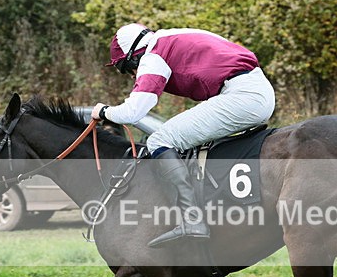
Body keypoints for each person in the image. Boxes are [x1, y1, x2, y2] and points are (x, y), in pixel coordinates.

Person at [92, 23, 275, 248]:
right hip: (256, 90)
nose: (131, 75)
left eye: (126, 68)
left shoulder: (153, 56)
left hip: (242, 95)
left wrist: (103, 111)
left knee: (159, 140)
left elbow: (133, 113)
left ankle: (192, 218)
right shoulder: (171, 37)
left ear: (133, 56)